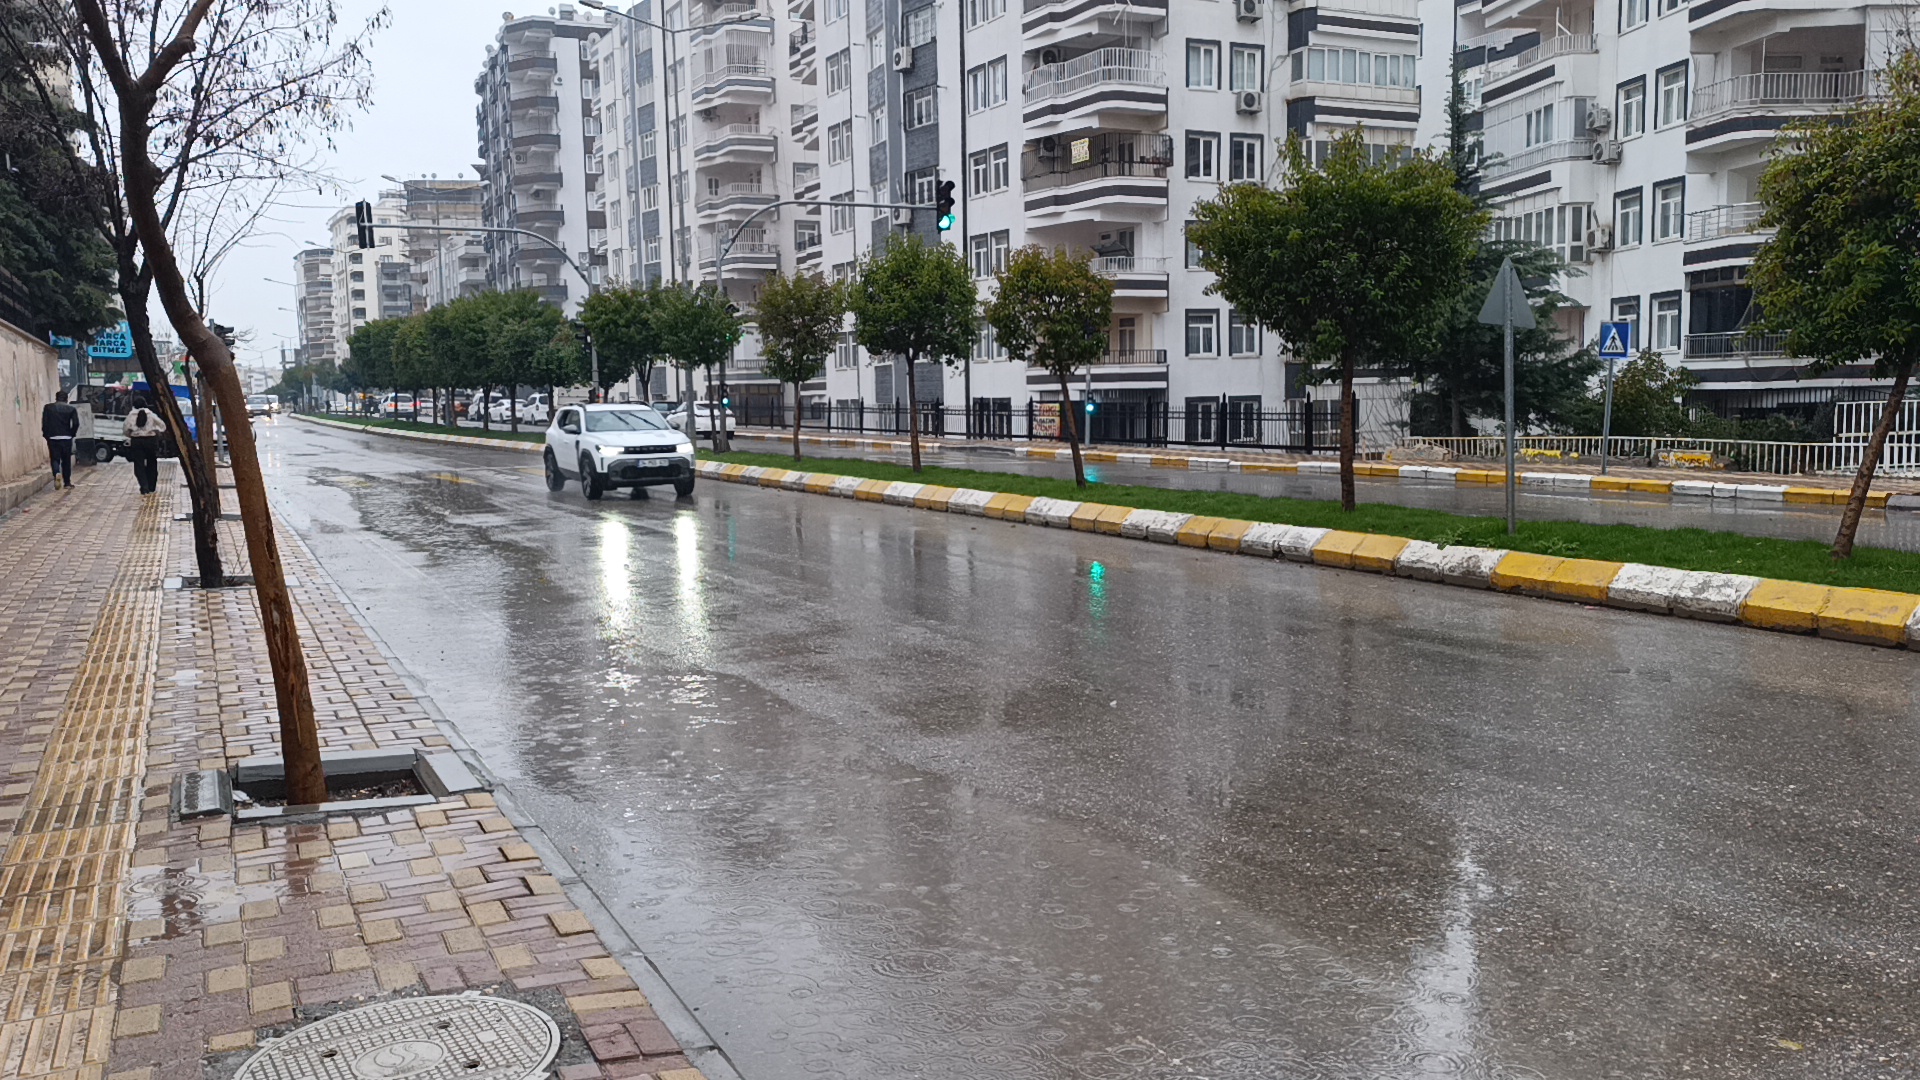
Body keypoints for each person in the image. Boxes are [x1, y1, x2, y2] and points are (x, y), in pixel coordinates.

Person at [124, 394, 168, 495]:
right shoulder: (151, 415)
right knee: (152, 463)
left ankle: (144, 486)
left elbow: (125, 430)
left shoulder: (130, 416)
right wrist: (156, 431)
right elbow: (162, 426)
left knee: (139, 465)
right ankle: (152, 486)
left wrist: (131, 434)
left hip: (136, 441)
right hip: (150, 441)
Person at [40, 389, 79, 489]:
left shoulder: (48, 408)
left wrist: (46, 434)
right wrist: (71, 434)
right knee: (66, 460)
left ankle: (57, 473)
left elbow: (45, 423)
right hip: (66, 437)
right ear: (66, 399)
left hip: (53, 437)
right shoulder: (71, 409)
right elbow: (75, 423)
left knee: (55, 459)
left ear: (56, 398)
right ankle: (67, 483)